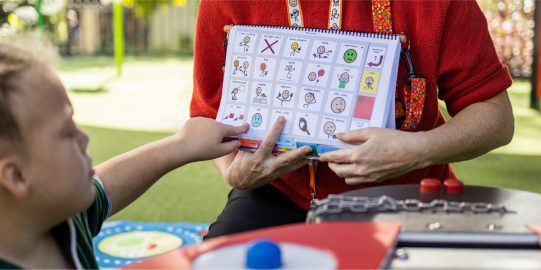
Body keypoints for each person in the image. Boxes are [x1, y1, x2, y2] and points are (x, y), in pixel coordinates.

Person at [190, 0, 514, 238]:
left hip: (408, 193)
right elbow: (208, 117)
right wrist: (233, 171)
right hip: (279, 192)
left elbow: (496, 117)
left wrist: (418, 149)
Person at [0, 43, 248, 268]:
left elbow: (107, 187)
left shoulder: (60, 218)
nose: (84, 138)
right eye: (66, 132)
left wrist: (182, 144)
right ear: (18, 176)